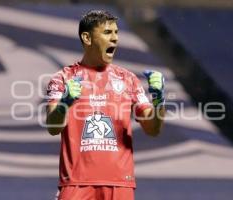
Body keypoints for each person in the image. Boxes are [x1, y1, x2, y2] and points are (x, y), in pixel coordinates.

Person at [46, 10, 165, 200]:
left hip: (119, 183)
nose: (115, 38)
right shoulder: (63, 78)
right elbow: (53, 127)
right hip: (76, 182)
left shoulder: (129, 80)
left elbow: (152, 129)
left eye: (116, 33)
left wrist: (159, 101)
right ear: (87, 37)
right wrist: (65, 104)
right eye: (108, 33)